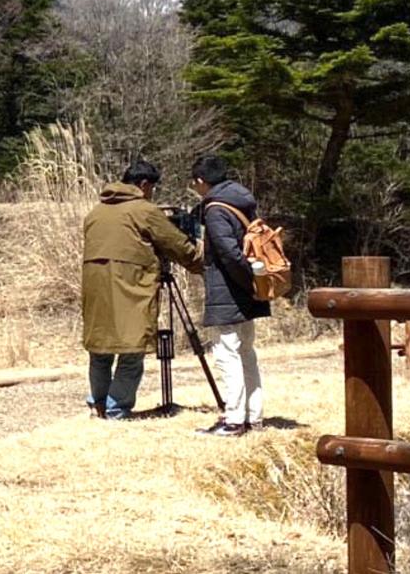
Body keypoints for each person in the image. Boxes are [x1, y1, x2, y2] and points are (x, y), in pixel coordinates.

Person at [82, 160, 203, 420]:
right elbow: (177, 245)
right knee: (131, 350)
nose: (152, 194)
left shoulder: (95, 212)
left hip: (96, 292)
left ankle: (98, 406)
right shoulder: (144, 210)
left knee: (100, 350)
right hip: (131, 288)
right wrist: (203, 263)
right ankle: (116, 409)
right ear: (144, 184)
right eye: (152, 189)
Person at [190, 154, 270, 437]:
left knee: (227, 354)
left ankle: (234, 420)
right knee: (246, 352)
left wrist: (245, 282)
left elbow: (229, 254)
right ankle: (253, 417)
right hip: (250, 288)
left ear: (201, 181)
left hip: (230, 290)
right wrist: (255, 284)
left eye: (195, 183)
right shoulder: (242, 201)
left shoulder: (215, 210)